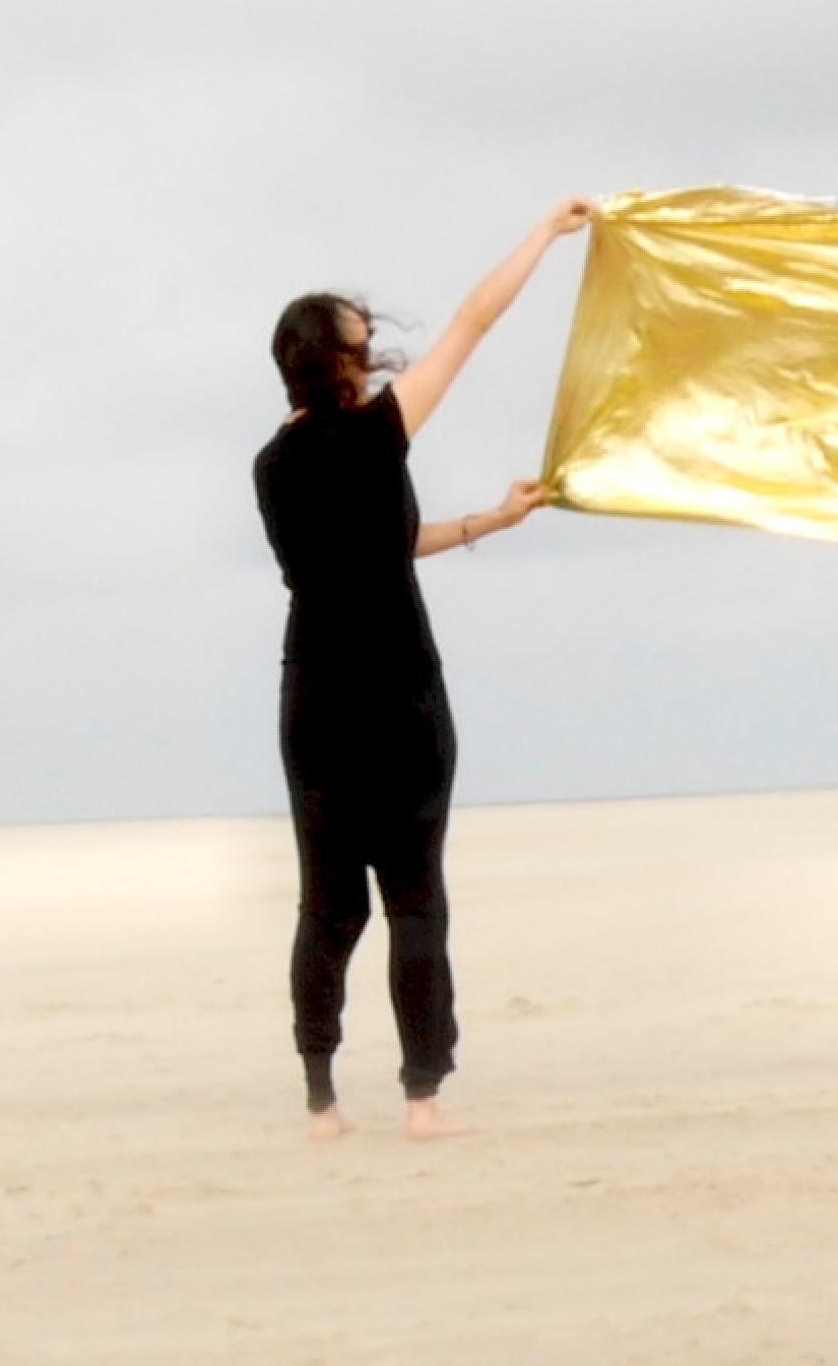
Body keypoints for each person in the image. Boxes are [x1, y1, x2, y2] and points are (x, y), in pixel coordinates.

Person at [251, 197, 592, 1141]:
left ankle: (320, 1098)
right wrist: (546, 233)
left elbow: (380, 549)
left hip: (314, 701)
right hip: (398, 696)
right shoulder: (374, 435)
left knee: (328, 908)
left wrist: (490, 518)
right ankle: (422, 1096)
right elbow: (477, 319)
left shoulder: (271, 468)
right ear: (344, 364)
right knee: (414, 900)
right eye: (364, 345)